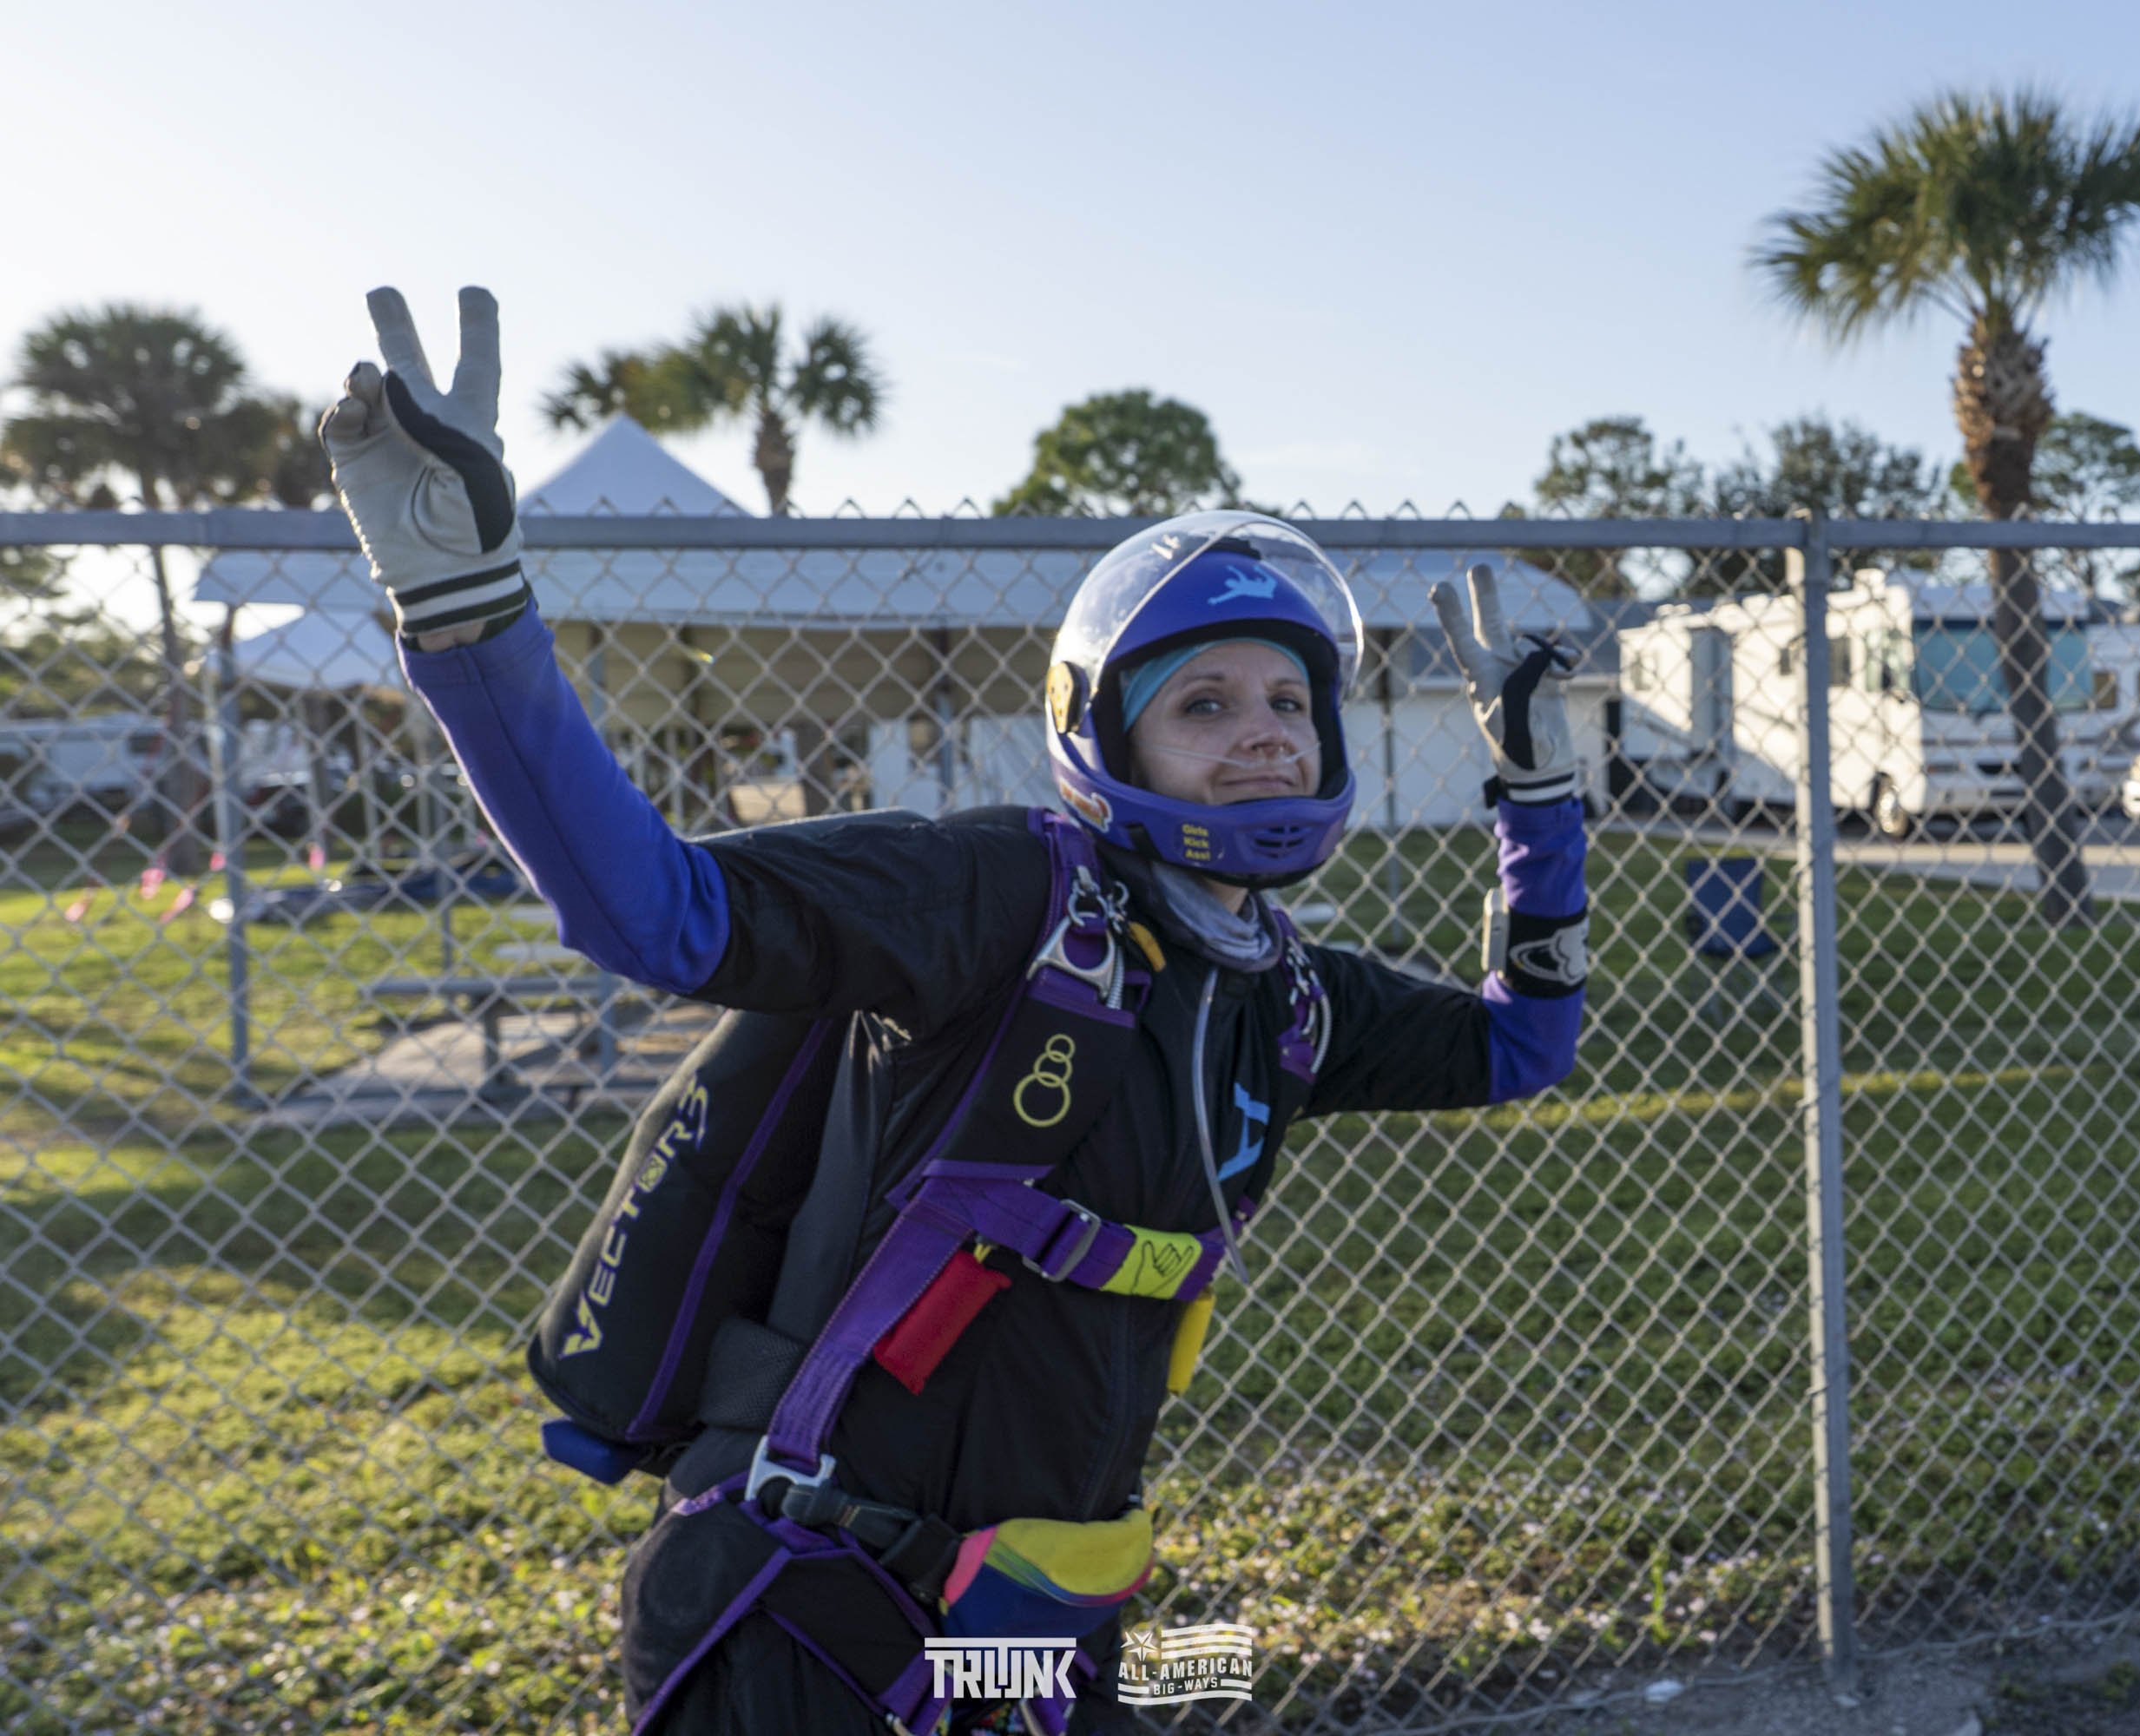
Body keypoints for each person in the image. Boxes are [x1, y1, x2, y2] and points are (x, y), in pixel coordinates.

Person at [320, 287, 1590, 1736]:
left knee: (1204, 1675)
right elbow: (647, 912)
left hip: (1030, 1627)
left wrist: (1537, 804)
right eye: (1204, 704)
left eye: (1289, 703)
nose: (1262, 732)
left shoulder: (1285, 991)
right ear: (1107, 737)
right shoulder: (1001, 894)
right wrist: (468, 612)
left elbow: (1521, 1044)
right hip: (809, 1606)